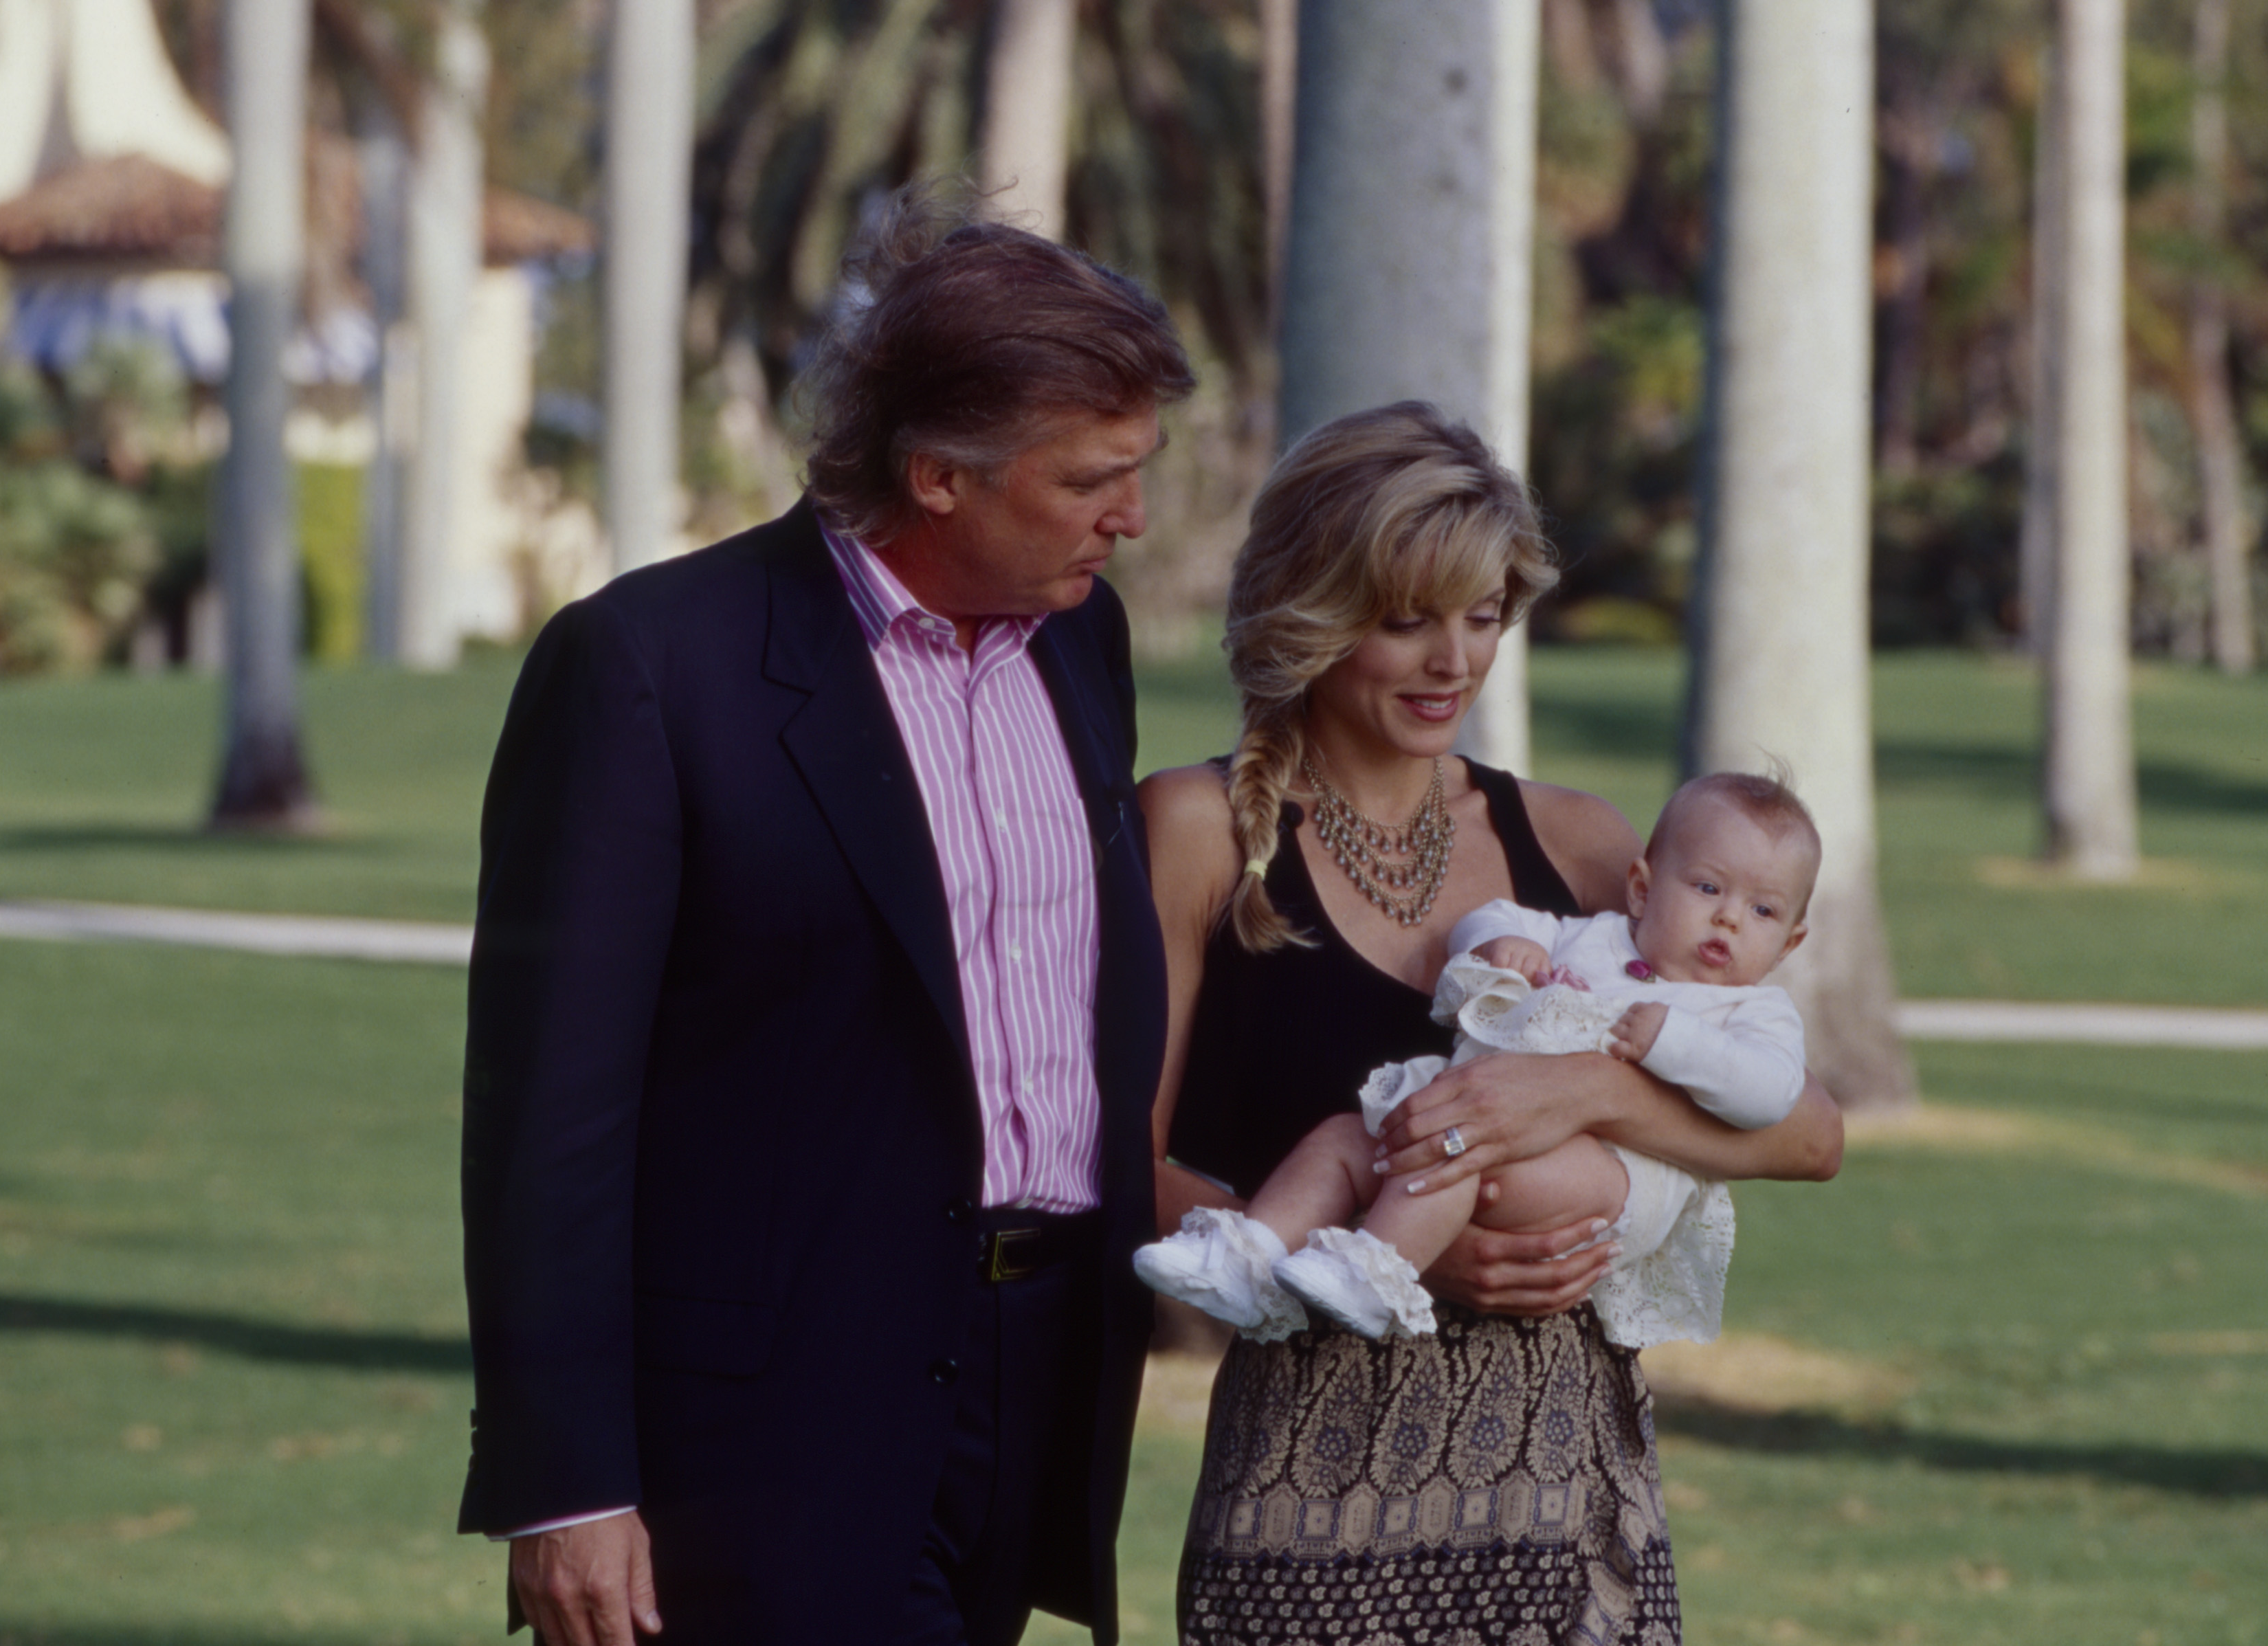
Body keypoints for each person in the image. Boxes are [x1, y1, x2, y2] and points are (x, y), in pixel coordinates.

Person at [456, 197, 1192, 1646]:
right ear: (937, 478)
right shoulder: (651, 668)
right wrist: (565, 1484)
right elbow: (548, 1114)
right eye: (1092, 478)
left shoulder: (1083, 642)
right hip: (763, 1424)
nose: (1133, 516)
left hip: (1034, 1382)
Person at [1138, 401, 1844, 1646]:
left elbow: (1806, 1136)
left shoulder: (1579, 844)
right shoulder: (1201, 831)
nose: (1452, 662)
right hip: (1307, 1488)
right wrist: (1403, 1240)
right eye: (1406, 618)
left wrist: (1585, 1096)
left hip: (1556, 1477)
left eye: (1483, 617)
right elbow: (1114, 1167)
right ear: (1313, 608)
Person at [1135, 770, 1819, 1343]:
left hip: (1608, 1174)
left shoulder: (1751, 1011)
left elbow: (1773, 1098)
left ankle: (1376, 1267)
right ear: (1641, 889)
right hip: (1467, 1126)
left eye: (1762, 912)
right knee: (1346, 1135)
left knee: (1461, 1150)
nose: (1729, 918)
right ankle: (1248, 1251)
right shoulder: (1601, 937)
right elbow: (1499, 917)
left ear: (1789, 944)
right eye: (1707, 889)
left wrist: (1664, 1046)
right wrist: (1502, 946)